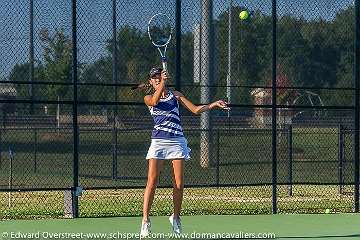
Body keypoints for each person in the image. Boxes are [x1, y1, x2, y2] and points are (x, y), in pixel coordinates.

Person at [140, 67, 230, 238]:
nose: (157, 79)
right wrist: (163, 84)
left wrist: (213, 104)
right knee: (152, 182)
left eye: (159, 76)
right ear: (150, 81)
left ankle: (176, 217)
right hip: (159, 142)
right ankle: (145, 221)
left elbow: (195, 110)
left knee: (179, 184)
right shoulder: (148, 97)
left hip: (177, 141)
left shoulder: (176, 95)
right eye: (154, 78)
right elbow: (155, 101)